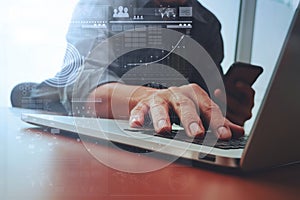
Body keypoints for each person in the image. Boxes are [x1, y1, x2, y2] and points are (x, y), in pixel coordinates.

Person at [11, 0, 255, 140]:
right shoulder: (102, 5)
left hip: (146, 127)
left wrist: (223, 110)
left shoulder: (208, 25)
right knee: (30, 95)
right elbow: (86, 81)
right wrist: (150, 97)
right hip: (67, 103)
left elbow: (201, 97)